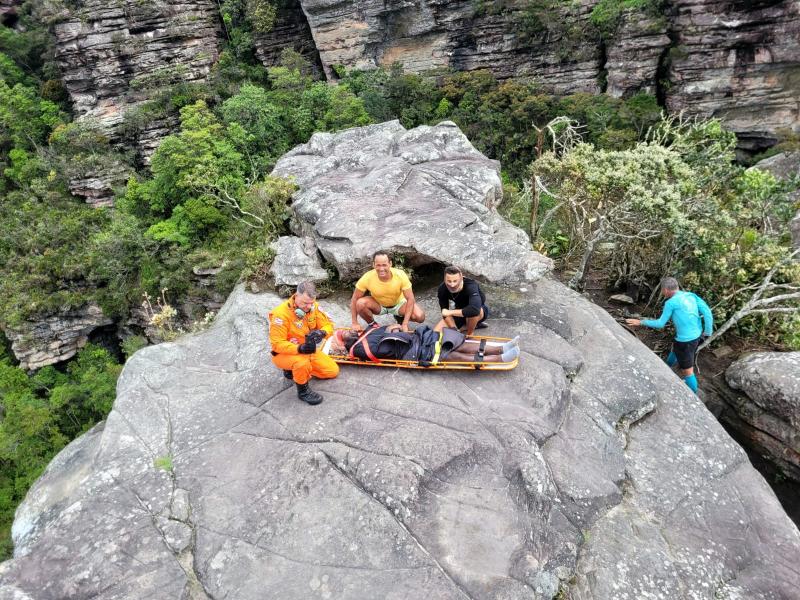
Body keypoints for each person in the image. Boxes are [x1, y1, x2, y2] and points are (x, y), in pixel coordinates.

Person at [625, 277, 713, 394]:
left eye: (662, 290)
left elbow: (660, 324)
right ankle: (666, 367)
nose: (662, 293)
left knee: (688, 371)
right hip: (697, 336)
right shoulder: (691, 296)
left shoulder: (670, 303)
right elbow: (707, 312)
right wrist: (707, 332)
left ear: (666, 290)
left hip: (686, 341)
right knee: (675, 349)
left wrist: (641, 322)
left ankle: (694, 394)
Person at [269, 281, 338, 405]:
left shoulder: (314, 307)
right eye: (305, 303)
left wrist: (322, 332)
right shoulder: (280, 314)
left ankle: (294, 370)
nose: (308, 307)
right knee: (301, 363)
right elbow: (277, 344)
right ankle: (303, 391)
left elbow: (329, 325)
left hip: (307, 350)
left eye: (311, 303)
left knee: (332, 371)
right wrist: (299, 348)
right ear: (296, 295)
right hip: (284, 353)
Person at [332, 324, 520, 365]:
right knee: (449, 354)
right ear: (343, 344)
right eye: (342, 335)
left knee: (455, 341)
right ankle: (500, 358)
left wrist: (392, 331)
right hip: (411, 352)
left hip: (416, 339)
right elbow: (381, 352)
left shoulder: (365, 332)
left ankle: (500, 348)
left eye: (343, 331)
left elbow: (390, 328)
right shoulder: (358, 348)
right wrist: (392, 332)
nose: (346, 332)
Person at [350, 251, 425, 332]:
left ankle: (400, 317)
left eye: (384, 265)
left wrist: (405, 323)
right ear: (373, 265)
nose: (381, 269)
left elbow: (410, 299)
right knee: (360, 303)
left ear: (390, 264)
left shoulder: (400, 275)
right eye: (378, 265)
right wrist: (354, 323)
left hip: (398, 304)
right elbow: (354, 299)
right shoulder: (367, 277)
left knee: (419, 317)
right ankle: (372, 324)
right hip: (379, 305)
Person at [436, 265, 490, 336]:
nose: (452, 285)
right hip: (460, 312)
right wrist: (453, 329)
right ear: (444, 279)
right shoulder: (442, 289)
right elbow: (445, 312)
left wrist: (450, 312)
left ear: (461, 277)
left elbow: (475, 310)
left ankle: (470, 334)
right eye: (449, 281)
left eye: (455, 281)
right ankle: (465, 327)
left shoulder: (471, 285)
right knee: (436, 332)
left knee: (474, 312)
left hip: (478, 312)